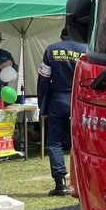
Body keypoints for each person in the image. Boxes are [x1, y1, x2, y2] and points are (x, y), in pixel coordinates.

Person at [37, 23, 87, 197]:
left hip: (57, 100)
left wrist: (42, 106)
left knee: (54, 143)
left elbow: (43, 80)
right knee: (82, 143)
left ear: (61, 36)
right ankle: (83, 184)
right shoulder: (87, 49)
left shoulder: (51, 50)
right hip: (80, 101)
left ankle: (61, 184)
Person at [0, 31, 16, 105]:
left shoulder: (6, 54)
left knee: (7, 113)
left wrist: (11, 64)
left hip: (5, 90)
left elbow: (15, 68)